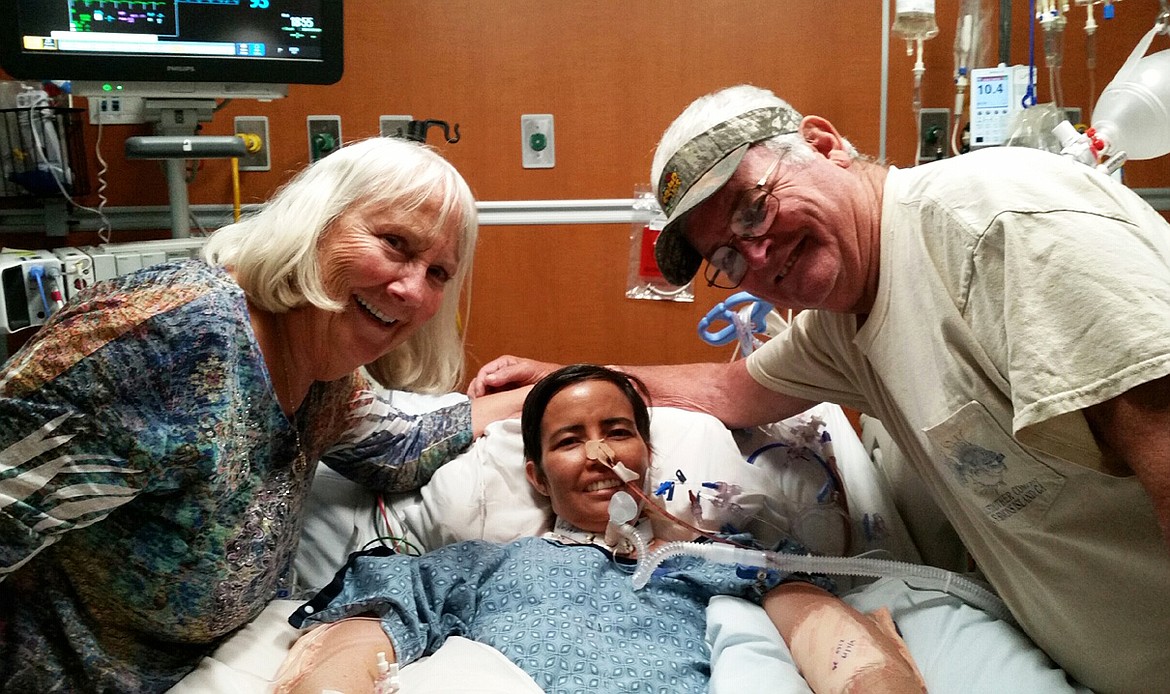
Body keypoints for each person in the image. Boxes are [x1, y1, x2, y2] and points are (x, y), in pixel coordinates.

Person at [467, 85, 1170, 694]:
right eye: (727, 256)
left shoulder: (992, 224)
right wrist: (564, 377)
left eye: (752, 208)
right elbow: (725, 391)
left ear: (823, 143)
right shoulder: (846, 322)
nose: (758, 255)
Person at [0, 137, 518, 692]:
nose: (413, 290)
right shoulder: (167, 342)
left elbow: (398, 452)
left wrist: (559, 389)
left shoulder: (320, 367)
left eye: (439, 272)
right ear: (315, 223)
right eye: (394, 243)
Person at [272, 364, 928, 694]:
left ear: (646, 454)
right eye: (569, 440)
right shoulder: (478, 565)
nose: (598, 455)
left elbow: (824, 631)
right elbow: (361, 638)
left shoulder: (705, 560)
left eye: (617, 432)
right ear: (535, 474)